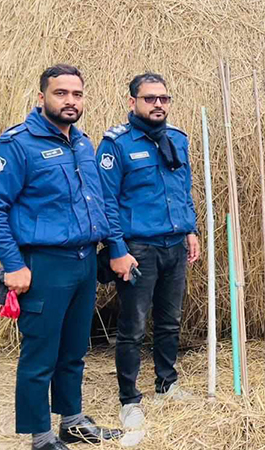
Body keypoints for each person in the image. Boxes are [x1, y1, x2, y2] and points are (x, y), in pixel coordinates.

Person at [0, 65, 121, 450]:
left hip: (83, 262)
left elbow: (99, 201)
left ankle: (72, 422)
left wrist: (113, 248)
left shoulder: (83, 144)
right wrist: (12, 265)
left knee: (73, 350)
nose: (70, 101)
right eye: (61, 93)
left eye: (77, 94)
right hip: (43, 266)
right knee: (41, 356)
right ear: (42, 98)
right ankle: (41, 437)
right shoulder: (18, 145)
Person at [97, 73, 200, 429]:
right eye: (150, 98)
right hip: (138, 248)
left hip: (174, 244)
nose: (158, 104)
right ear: (133, 103)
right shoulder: (117, 144)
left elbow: (183, 189)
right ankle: (129, 400)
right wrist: (117, 249)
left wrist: (191, 230)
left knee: (170, 321)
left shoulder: (177, 140)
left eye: (164, 99)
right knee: (134, 326)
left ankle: (166, 384)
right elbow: (106, 203)